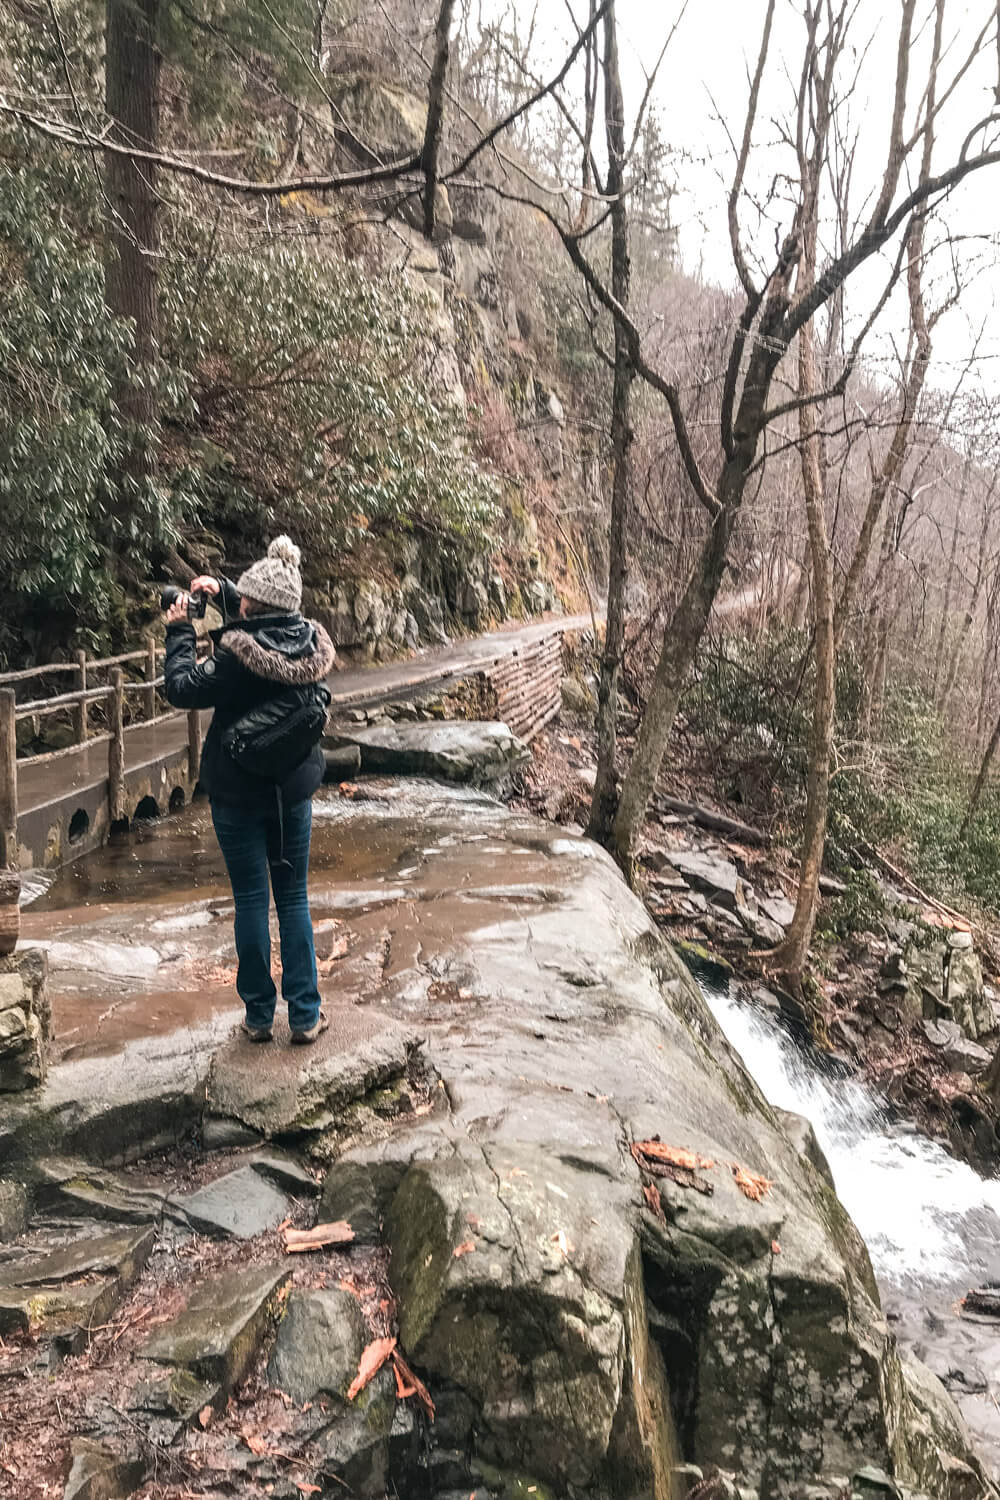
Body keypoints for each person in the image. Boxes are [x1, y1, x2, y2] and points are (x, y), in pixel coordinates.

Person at [163, 536, 336, 1044]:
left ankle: (259, 1017)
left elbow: (181, 688)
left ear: (250, 604)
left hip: (237, 793)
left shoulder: (236, 657)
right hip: (293, 792)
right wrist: (223, 589)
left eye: (240, 599)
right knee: (294, 900)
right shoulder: (310, 641)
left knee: (251, 902)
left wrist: (178, 631)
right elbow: (266, 617)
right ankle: (305, 1015)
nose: (236, 604)